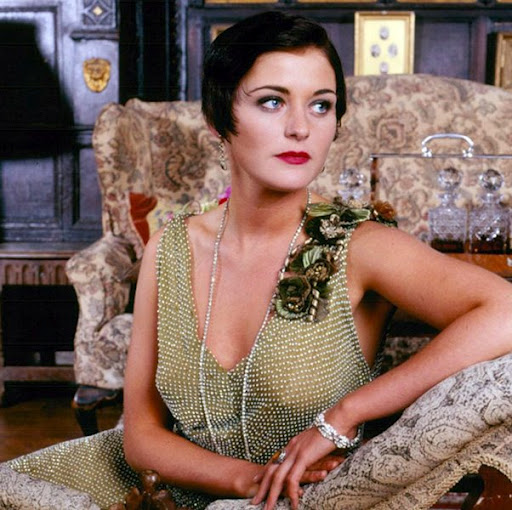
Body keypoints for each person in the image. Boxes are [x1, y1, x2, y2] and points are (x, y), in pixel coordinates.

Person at [4, 10, 512, 510]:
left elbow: (504, 310)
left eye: (321, 105)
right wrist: (250, 482)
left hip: (309, 500)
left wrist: (347, 412)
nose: (300, 128)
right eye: (272, 101)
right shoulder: (170, 247)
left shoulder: (359, 244)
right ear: (218, 118)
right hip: (168, 487)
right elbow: (141, 435)